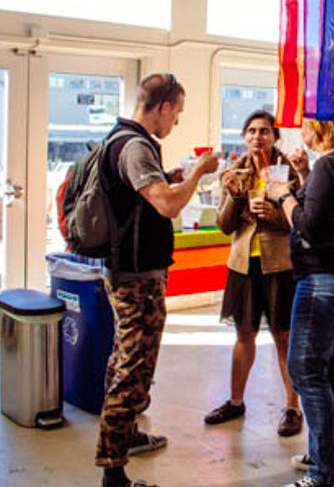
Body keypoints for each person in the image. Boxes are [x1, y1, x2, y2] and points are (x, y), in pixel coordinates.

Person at [96, 73, 219, 487]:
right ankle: (113, 471)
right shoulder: (134, 146)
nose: (176, 122)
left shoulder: (123, 140)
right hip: (136, 278)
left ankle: (126, 435)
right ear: (163, 107)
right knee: (132, 369)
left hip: (128, 272)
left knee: (124, 359)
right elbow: (166, 205)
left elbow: (141, 197)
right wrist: (198, 173)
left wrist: (169, 175)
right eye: (177, 113)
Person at [268, 119, 334, 487]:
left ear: (318, 128)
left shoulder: (330, 164)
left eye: (305, 126)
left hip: (325, 277)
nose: (300, 133)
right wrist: (303, 174)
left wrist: (283, 196)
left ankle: (326, 473)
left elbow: (310, 227)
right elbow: (330, 207)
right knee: (332, 367)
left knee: (306, 368)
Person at [203, 110, 303, 437]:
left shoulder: (290, 172)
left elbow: (301, 222)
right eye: (251, 131)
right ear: (244, 136)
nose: (257, 136)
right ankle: (235, 401)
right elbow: (224, 226)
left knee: (283, 336)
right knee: (244, 334)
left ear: (275, 136)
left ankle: (292, 407)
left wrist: (274, 214)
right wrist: (234, 195)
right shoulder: (236, 172)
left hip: (280, 265)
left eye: (264, 131)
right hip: (243, 265)